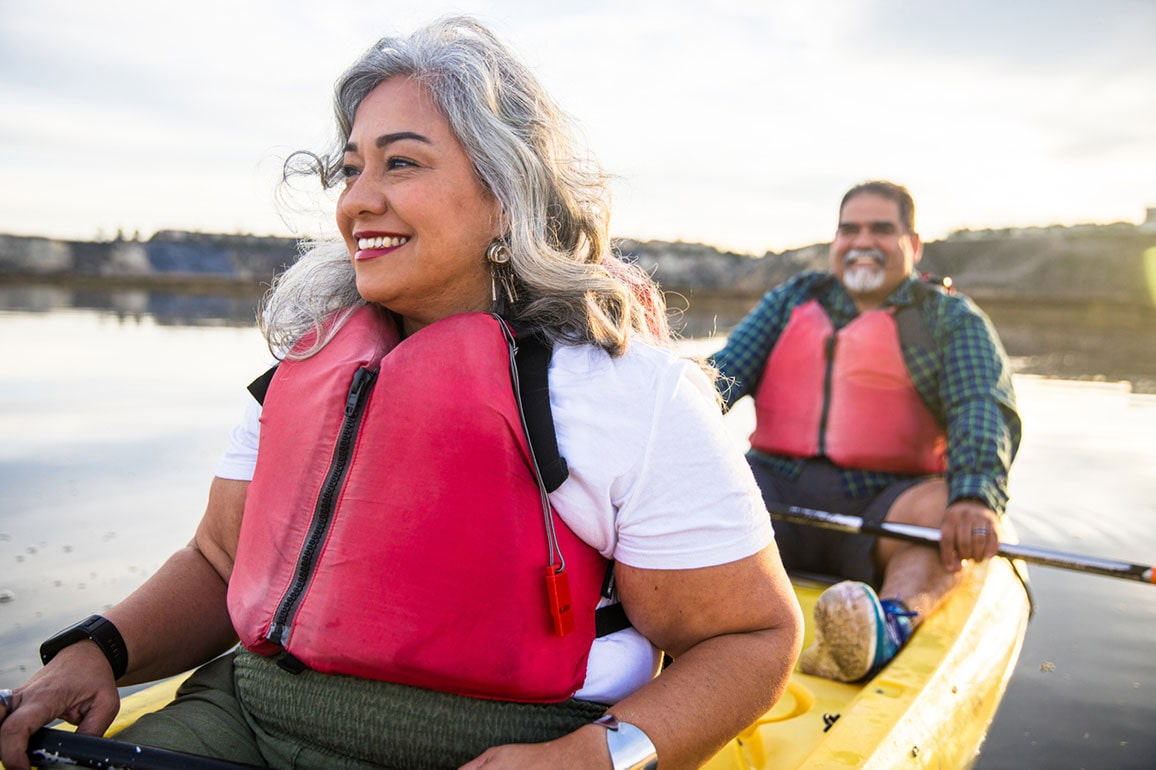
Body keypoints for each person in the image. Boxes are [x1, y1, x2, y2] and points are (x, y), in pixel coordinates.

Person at [0, 16, 803, 770]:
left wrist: (599, 755)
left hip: (514, 742)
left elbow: (752, 636)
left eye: (402, 162)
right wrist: (97, 648)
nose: (357, 200)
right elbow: (220, 560)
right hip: (254, 715)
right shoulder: (301, 366)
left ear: (505, 193)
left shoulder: (631, 393)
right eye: (351, 169)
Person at [710, 180, 1020, 683]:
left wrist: (976, 495)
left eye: (882, 229)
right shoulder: (793, 300)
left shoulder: (948, 318)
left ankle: (887, 623)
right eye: (849, 229)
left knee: (944, 509)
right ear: (835, 241)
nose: (862, 242)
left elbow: (980, 404)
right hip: (774, 496)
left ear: (913, 245)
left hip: (886, 507)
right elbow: (719, 378)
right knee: (695, 481)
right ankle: (692, 615)